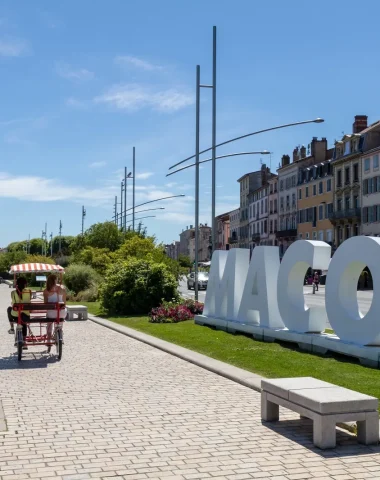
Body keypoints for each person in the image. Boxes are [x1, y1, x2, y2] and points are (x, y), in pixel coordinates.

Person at [7, 277, 31, 349]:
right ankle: (24, 341)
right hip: (26, 315)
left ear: (17, 284)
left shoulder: (13, 293)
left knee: (9, 309)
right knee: (24, 322)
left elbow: (13, 302)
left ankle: (11, 328)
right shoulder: (29, 291)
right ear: (25, 284)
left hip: (15, 315)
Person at [43, 274, 67, 340]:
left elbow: (45, 303)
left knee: (49, 323)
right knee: (60, 320)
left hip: (51, 313)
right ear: (56, 280)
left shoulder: (46, 291)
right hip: (61, 312)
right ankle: (60, 333)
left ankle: (49, 338)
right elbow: (64, 302)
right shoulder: (62, 288)